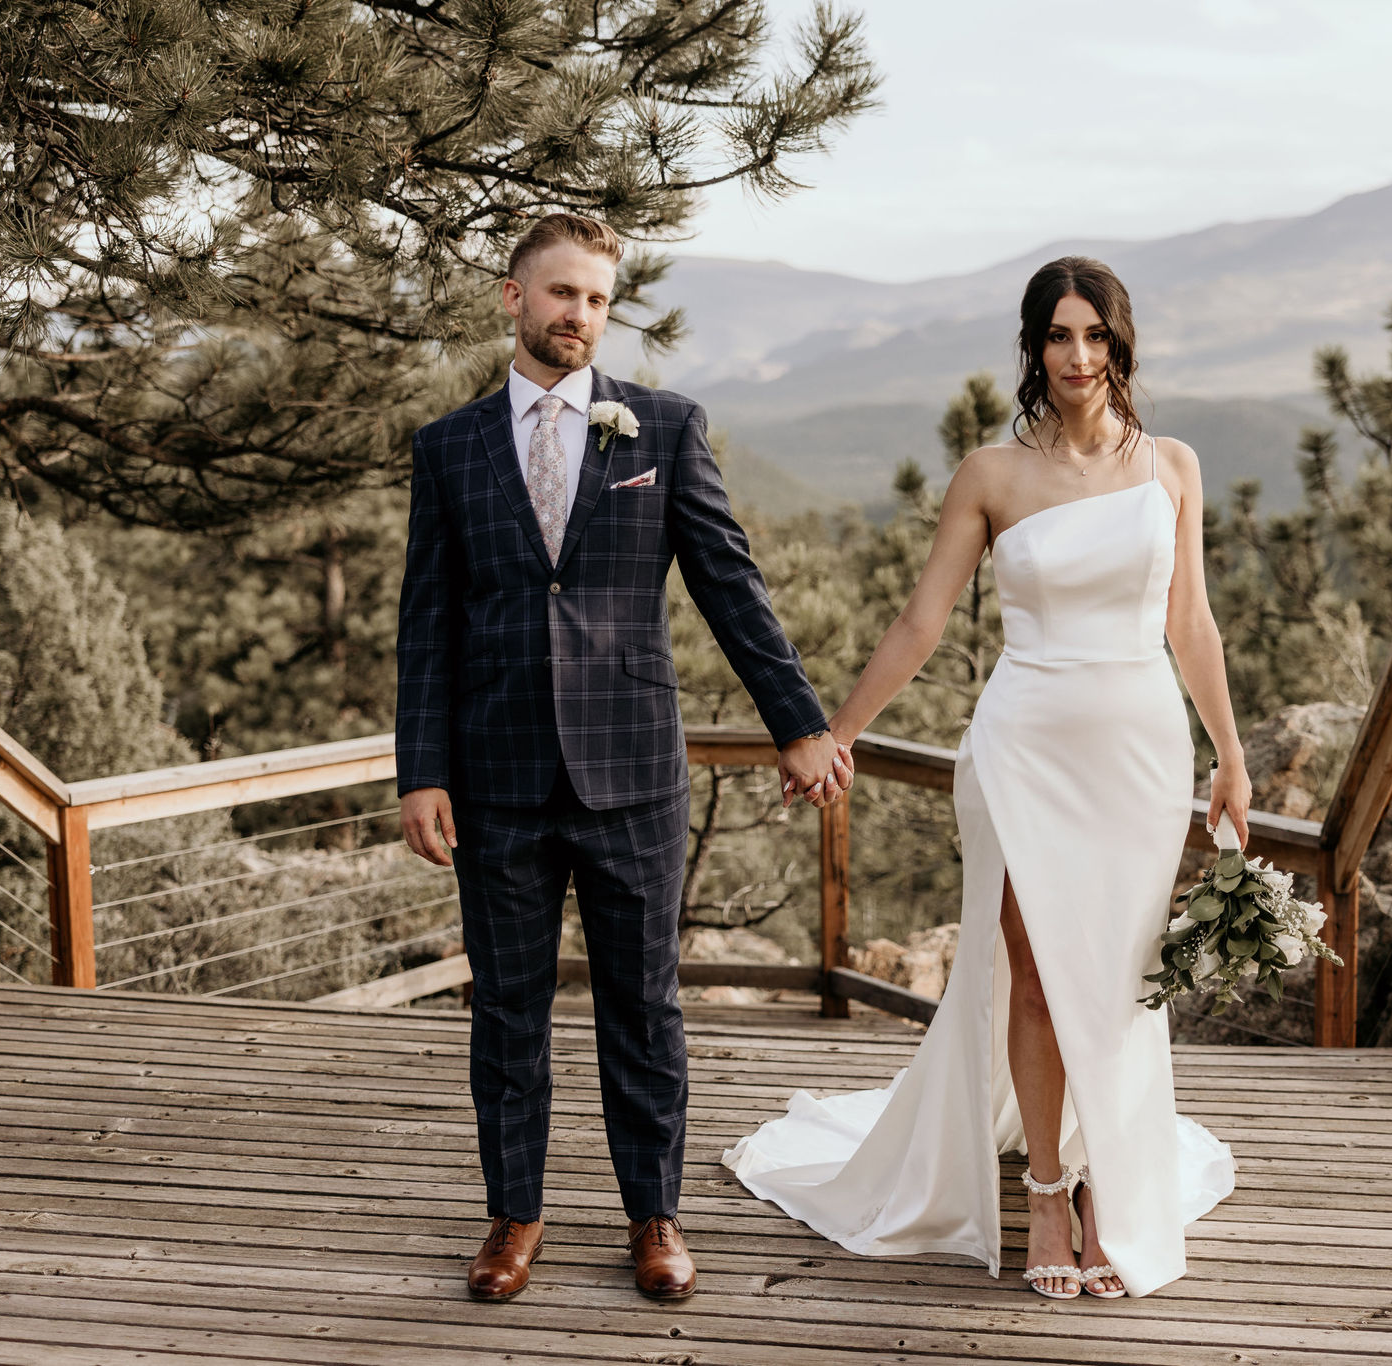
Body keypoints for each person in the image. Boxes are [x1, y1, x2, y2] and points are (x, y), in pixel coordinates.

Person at [722, 256, 1247, 1300]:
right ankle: (1048, 1191)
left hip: (1141, 747)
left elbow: (1190, 623)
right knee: (1040, 970)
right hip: (1023, 745)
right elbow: (921, 622)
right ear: (1032, 348)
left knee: (1124, 974)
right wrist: (835, 732)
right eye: (1058, 336)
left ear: (1122, 343)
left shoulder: (1174, 468)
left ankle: (1111, 1186)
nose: (1078, 356)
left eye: (1094, 336)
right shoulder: (990, 476)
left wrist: (1230, 758)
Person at [395, 212, 852, 1305]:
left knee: (642, 1009)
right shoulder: (447, 447)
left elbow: (729, 588)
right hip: (495, 779)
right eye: (559, 294)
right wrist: (421, 770)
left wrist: (797, 721)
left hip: (631, 775)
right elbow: (426, 623)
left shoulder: (663, 428)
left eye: (596, 299)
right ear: (515, 298)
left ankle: (654, 1217)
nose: (578, 315)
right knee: (507, 1012)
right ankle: (515, 1216)